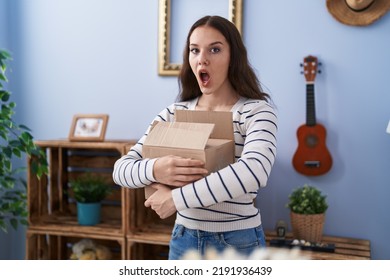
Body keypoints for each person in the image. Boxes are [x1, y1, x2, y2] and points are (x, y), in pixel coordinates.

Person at [112, 15, 277, 260]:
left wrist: (177, 199)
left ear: (234, 57)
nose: (203, 59)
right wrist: (158, 169)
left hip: (238, 243)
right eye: (194, 50)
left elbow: (254, 172)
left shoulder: (255, 112)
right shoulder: (173, 114)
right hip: (184, 240)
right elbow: (121, 170)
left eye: (215, 49)